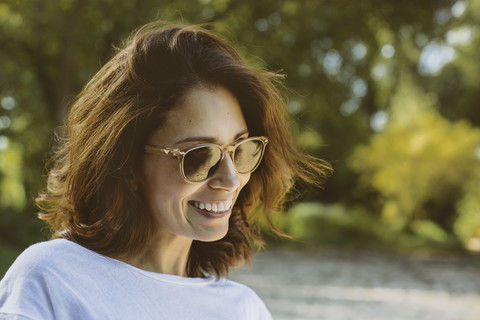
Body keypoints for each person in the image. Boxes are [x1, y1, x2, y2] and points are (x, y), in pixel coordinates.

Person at [0, 21, 330, 319]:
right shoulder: (50, 281)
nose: (230, 178)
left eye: (241, 149)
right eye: (200, 156)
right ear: (125, 163)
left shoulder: (244, 309)